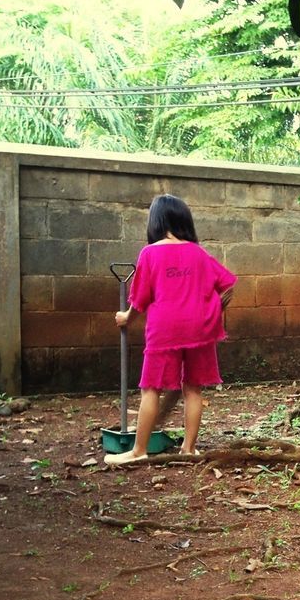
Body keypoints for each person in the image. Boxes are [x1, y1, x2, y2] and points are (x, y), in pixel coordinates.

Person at [103, 195, 235, 465]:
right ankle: (188, 449)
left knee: (151, 388)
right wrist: (213, 311)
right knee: (193, 389)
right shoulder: (198, 252)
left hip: (165, 329)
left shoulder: (150, 253)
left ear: (156, 221)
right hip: (200, 329)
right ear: (184, 219)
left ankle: (139, 451)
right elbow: (228, 284)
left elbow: (140, 297)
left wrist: (125, 317)